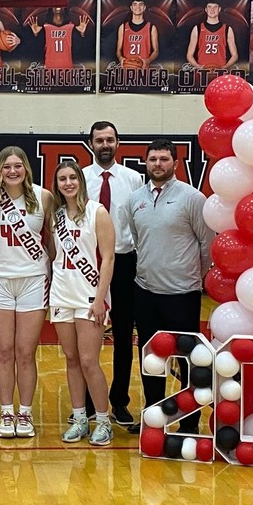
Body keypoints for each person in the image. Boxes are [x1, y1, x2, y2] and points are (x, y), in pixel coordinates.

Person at [124, 138, 215, 436]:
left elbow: (207, 245)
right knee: (151, 359)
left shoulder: (192, 198)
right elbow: (139, 241)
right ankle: (154, 416)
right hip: (145, 292)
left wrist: (191, 278)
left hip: (183, 295)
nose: (158, 164)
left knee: (188, 360)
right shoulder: (135, 198)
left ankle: (189, 421)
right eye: (153, 159)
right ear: (146, 163)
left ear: (175, 163)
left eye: (164, 159)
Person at [0, 146, 53, 438]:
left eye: (17, 166)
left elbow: (50, 237)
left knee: (25, 352)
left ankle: (26, 414)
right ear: (0, 169)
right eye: (7, 166)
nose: (12, 171)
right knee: (4, 351)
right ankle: (6, 412)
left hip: (33, 280)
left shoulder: (43, 196)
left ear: (26, 169)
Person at [50, 160, 115, 446]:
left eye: (72, 177)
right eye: (62, 179)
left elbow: (109, 257)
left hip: (90, 296)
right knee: (72, 359)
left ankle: (103, 419)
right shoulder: (57, 216)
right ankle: (79, 418)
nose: (68, 183)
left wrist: (101, 298)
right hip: (62, 293)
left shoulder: (97, 212)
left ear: (80, 180)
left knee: (89, 361)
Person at [84, 122, 144, 427]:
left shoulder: (133, 179)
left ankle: (119, 401)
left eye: (110, 139)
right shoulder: (80, 179)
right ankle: (88, 404)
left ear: (118, 143)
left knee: (122, 335)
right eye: (99, 140)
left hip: (123, 262)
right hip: (87, 266)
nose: (105, 144)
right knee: (86, 337)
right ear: (90, 144)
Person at [186, 0, 238, 69]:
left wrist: (225, 67)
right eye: (209, 7)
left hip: (220, 71)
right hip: (202, 72)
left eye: (215, 7)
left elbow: (235, 55)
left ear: (219, 9)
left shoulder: (227, 29)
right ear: (206, 9)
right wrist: (198, 67)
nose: (212, 9)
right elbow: (189, 55)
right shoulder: (197, 28)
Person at [116, 0, 159, 68]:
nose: (138, 7)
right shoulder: (123, 27)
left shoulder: (151, 27)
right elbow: (118, 50)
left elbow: (156, 51)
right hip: (127, 69)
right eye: (135, 4)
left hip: (144, 70)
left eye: (141, 4)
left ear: (144, 8)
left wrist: (147, 61)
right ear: (131, 8)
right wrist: (120, 58)